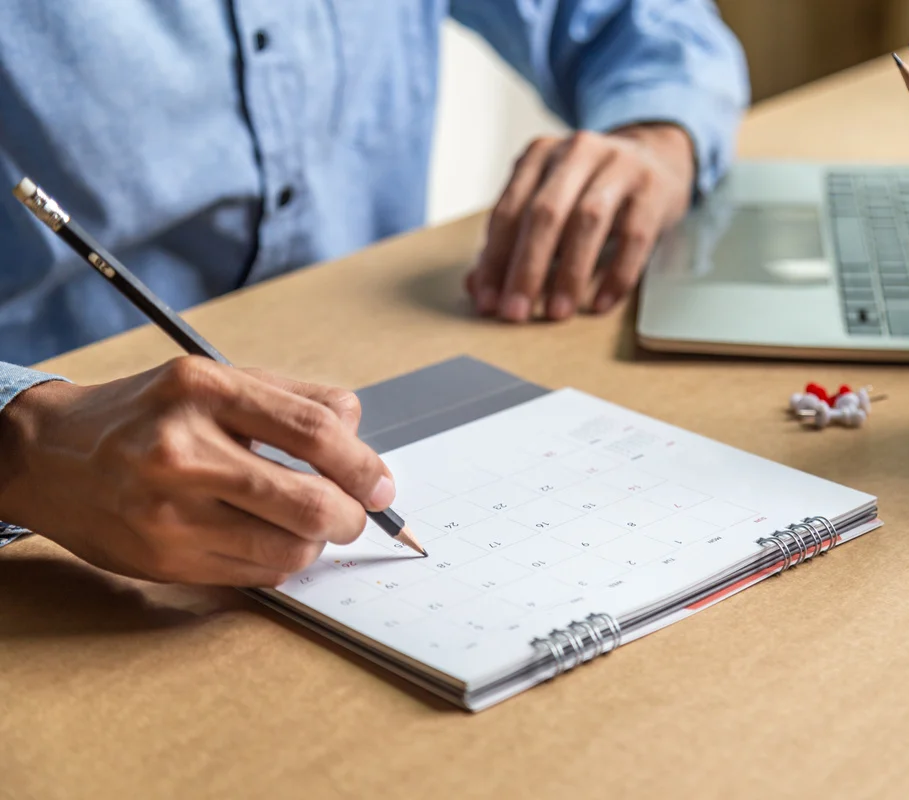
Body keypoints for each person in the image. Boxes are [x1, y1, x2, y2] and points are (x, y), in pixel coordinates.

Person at [0, 3, 748, 586]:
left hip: (386, 364)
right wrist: (23, 444)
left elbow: (638, 19)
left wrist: (657, 137)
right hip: (56, 530)